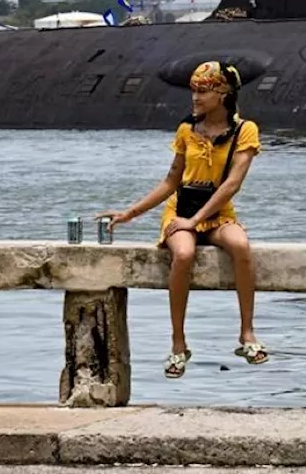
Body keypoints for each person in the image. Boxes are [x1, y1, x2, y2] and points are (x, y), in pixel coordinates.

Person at [97, 61, 265, 378]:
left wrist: (198, 220)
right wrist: (130, 213)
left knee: (241, 247)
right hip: (181, 211)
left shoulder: (245, 131)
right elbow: (171, 181)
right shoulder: (187, 129)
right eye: (194, 91)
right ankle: (178, 343)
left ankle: (247, 334)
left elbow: (231, 185)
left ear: (223, 93)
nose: (196, 98)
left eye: (203, 91)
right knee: (184, 254)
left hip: (217, 213)